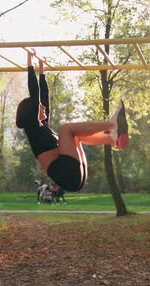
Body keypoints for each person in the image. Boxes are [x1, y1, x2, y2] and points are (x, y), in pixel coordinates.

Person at [16, 52, 129, 192]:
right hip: (68, 174)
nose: (44, 107)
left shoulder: (42, 125)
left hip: (73, 176)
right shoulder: (33, 128)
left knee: (76, 135)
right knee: (66, 129)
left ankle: (112, 139)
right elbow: (34, 92)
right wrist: (29, 61)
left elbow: (44, 95)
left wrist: (41, 68)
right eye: (40, 106)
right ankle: (112, 124)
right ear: (31, 112)